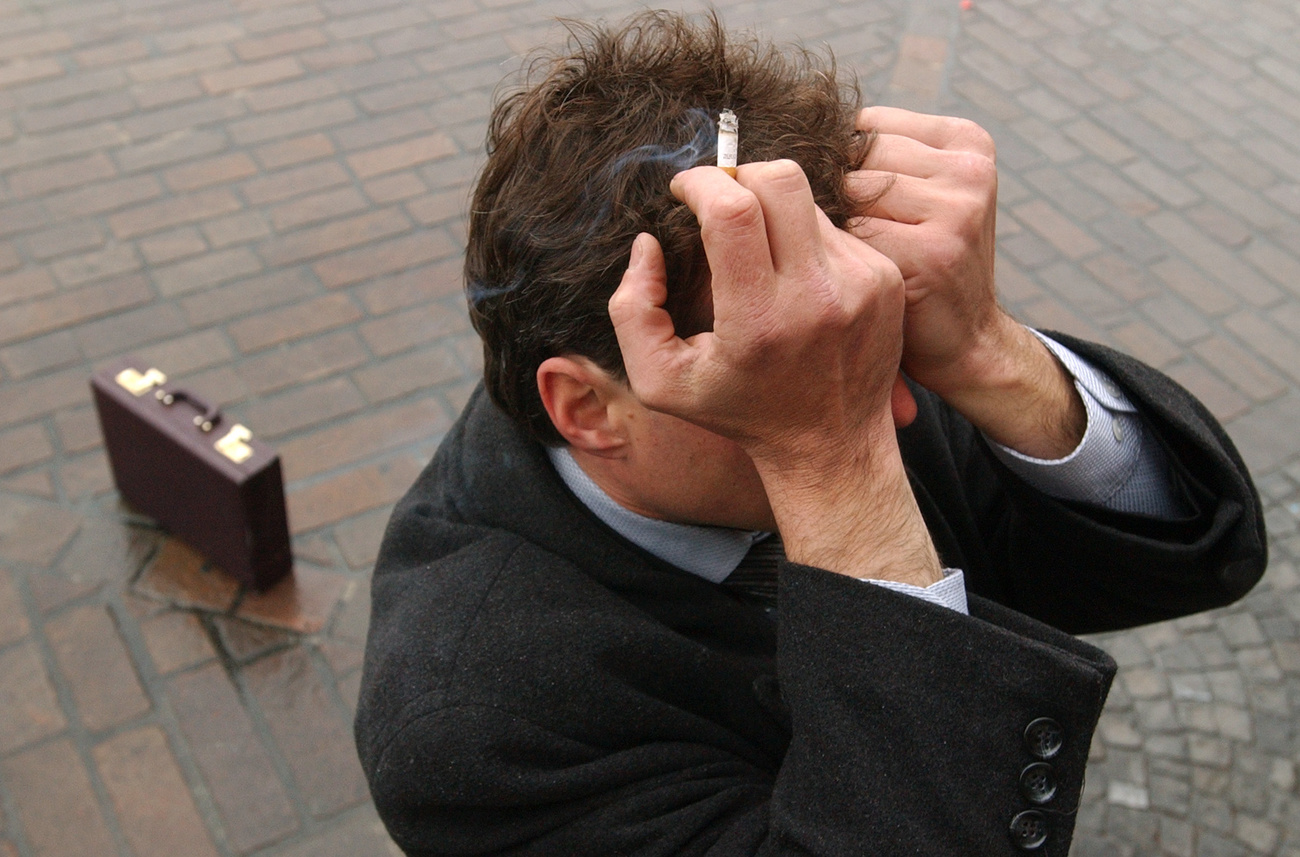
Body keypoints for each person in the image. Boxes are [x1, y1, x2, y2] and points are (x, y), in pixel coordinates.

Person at [355, 12, 1265, 855]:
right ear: (589, 409)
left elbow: (1192, 552)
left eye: (853, 322)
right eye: (769, 368)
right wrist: (834, 469)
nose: (887, 405)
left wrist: (992, 350)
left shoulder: (825, 341)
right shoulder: (470, 722)